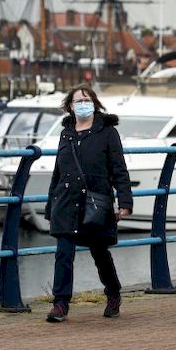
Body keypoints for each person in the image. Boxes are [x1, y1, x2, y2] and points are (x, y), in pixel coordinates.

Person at [45, 85, 133, 323]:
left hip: (94, 202)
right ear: (70, 106)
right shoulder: (66, 132)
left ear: (94, 102)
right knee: (63, 253)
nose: (82, 104)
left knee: (99, 252)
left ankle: (113, 292)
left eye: (86, 99)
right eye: (77, 101)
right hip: (66, 201)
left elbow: (118, 168)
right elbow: (58, 170)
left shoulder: (107, 132)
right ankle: (60, 303)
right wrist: (50, 205)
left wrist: (124, 200)